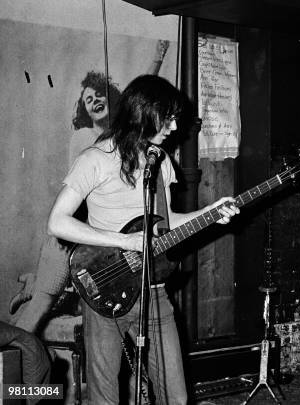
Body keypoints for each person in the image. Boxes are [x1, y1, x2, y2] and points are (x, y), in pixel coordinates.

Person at [46, 74, 239, 404]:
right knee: (104, 396)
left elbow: (164, 225)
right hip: (104, 289)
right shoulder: (95, 159)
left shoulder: (159, 160)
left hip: (154, 290)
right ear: (144, 113)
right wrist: (124, 242)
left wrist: (210, 214)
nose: (175, 127)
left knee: (176, 397)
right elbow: (57, 223)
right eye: (169, 117)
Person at [11, 40, 171, 333]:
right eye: (88, 99)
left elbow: (142, 103)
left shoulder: (128, 138)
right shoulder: (86, 139)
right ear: (83, 109)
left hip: (99, 243)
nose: (95, 99)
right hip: (73, 236)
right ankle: (12, 358)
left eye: (100, 94)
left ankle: (33, 285)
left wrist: (156, 63)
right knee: (43, 303)